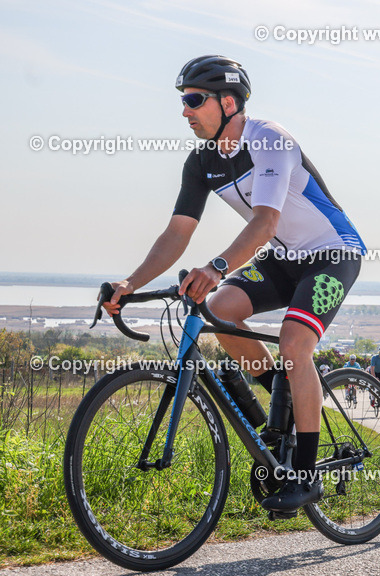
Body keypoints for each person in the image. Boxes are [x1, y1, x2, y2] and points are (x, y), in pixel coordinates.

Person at [102, 55, 365, 513]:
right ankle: (279, 412)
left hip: (332, 251)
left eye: (192, 100)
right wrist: (130, 281)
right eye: (183, 101)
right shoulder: (203, 160)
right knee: (220, 312)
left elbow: (265, 221)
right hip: (283, 257)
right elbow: (177, 233)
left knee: (294, 342)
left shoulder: (269, 141)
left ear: (228, 102)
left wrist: (217, 266)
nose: (185, 111)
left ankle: (305, 474)